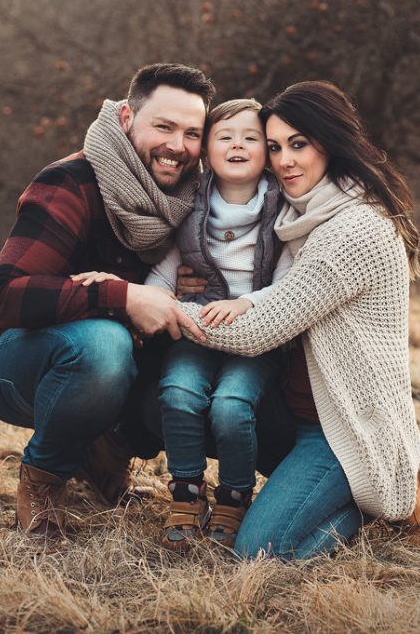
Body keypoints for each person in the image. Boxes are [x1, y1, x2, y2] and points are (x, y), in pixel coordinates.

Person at [175, 80, 420, 560]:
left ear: (331, 144)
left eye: (298, 145)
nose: (284, 161)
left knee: (261, 551)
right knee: (184, 397)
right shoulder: (299, 214)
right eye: (275, 147)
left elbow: (259, 330)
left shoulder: (353, 229)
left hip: (345, 427)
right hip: (293, 406)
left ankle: (377, 491)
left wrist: (161, 310)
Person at [0, 63, 215, 537]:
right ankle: (43, 479)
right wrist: (123, 296)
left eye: (191, 133)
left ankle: (110, 452)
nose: (177, 146)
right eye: (163, 127)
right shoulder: (71, 183)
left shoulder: (192, 200)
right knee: (102, 344)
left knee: (185, 376)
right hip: (13, 364)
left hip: (123, 367)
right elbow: (8, 298)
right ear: (126, 118)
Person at [143, 99, 291, 549]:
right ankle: (187, 494)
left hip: (256, 337)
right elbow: (167, 269)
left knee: (231, 405)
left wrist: (247, 304)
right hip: (198, 328)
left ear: (267, 152)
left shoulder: (282, 208)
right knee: (178, 392)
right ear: (206, 151)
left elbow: (291, 284)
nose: (237, 146)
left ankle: (234, 497)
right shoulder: (192, 205)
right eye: (225, 137)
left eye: (250, 138)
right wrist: (152, 301)